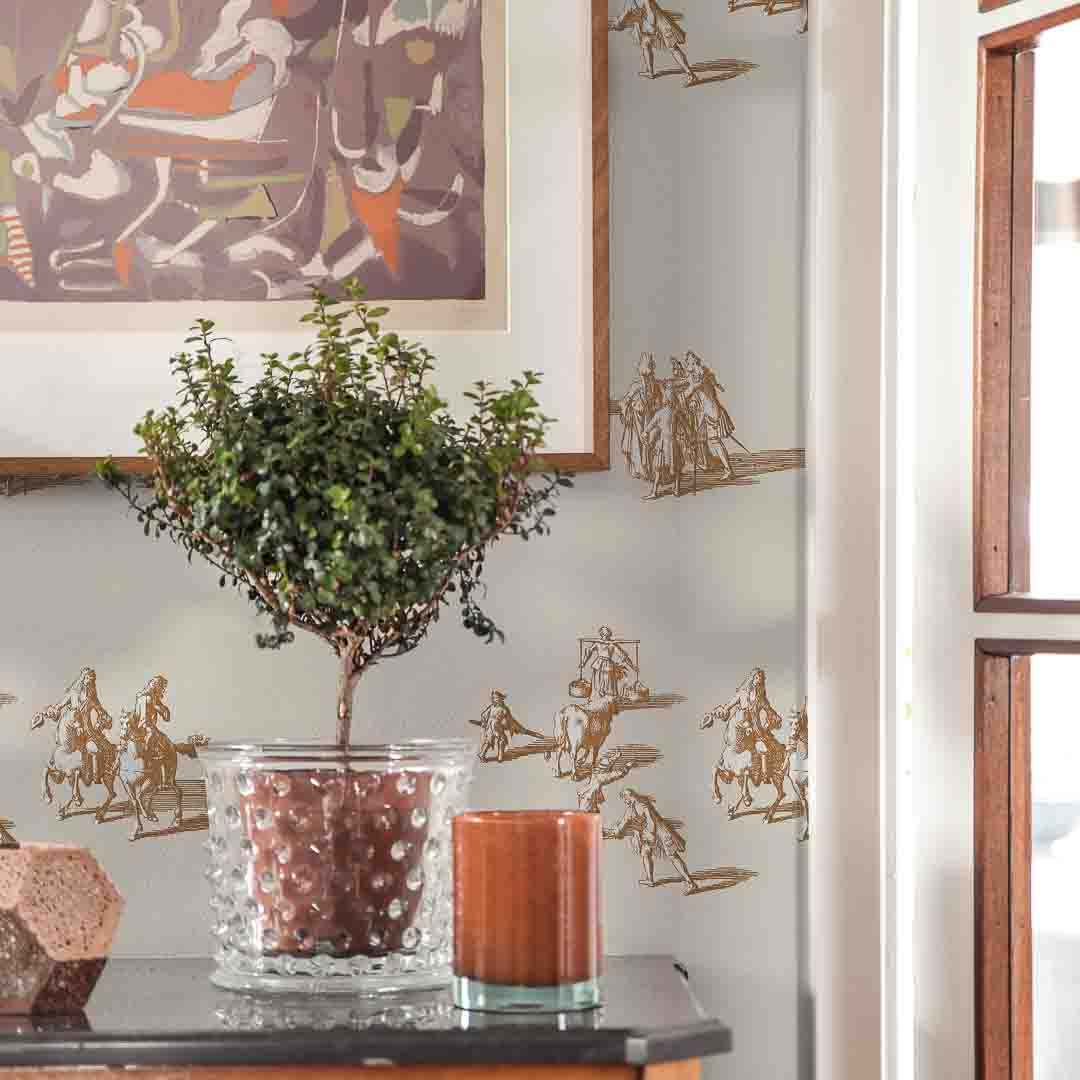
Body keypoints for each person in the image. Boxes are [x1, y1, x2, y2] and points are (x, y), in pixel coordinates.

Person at [603, 788, 699, 895]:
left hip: (661, 833)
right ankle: (650, 879)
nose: (625, 802)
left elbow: (651, 823)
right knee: (645, 853)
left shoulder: (643, 805)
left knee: (672, 856)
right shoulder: (630, 809)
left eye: (625, 799)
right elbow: (623, 823)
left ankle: (690, 883)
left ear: (628, 796)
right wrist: (613, 832)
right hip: (649, 834)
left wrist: (649, 835)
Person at [609, 0, 700, 87]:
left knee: (672, 48)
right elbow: (623, 17)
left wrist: (651, 28)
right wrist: (616, 23)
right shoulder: (630, 1)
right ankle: (650, 71)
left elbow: (651, 14)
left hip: (660, 24)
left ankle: (691, 75)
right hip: (650, 25)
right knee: (645, 43)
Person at [685, 351, 736, 479]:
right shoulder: (702, 375)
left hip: (712, 413)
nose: (688, 366)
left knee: (715, 442)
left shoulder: (700, 376)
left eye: (690, 363)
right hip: (707, 413)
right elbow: (699, 394)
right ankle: (719, 466)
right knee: (713, 441)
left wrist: (679, 398)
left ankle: (729, 470)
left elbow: (692, 390)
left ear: (695, 363)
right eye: (688, 363)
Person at [580, 627, 638, 701]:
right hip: (598, 664)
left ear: (609, 635)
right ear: (601, 634)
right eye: (603, 634)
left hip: (608, 665)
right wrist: (583, 663)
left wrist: (632, 666)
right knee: (597, 682)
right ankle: (596, 700)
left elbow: (623, 656)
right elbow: (588, 652)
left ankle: (609, 701)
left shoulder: (612, 645)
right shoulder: (597, 643)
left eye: (607, 634)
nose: (605, 636)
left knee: (608, 683)